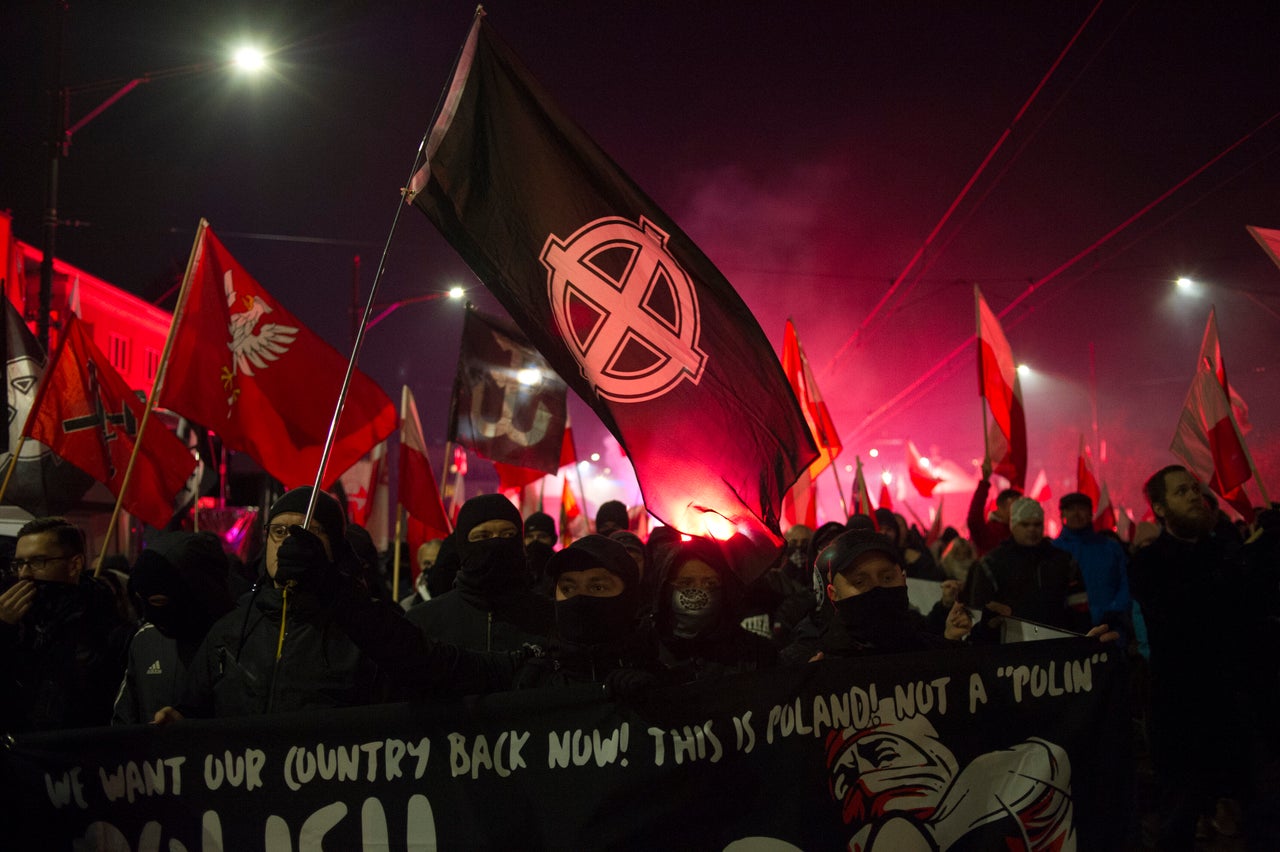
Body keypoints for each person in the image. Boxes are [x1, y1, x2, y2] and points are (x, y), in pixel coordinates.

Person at [159, 487, 515, 720]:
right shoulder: (229, 631)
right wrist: (180, 718)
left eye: (307, 533)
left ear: (332, 548)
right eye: (279, 532)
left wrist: (330, 587)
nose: (288, 543)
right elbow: (197, 709)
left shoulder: (365, 628)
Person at [1129, 465, 1277, 846]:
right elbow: (1189, 611)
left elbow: (1255, 610)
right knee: (1179, 819)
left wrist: (1270, 548)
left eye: (1195, 489)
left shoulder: (1224, 552)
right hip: (1184, 715)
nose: (1194, 496)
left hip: (1238, 710)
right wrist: (1252, 553)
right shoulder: (1149, 564)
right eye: (1181, 492)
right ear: (1160, 509)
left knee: (1262, 812)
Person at [0, 517, 130, 732]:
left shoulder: (107, 628)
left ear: (74, 565)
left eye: (37, 562)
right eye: (19, 564)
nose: (24, 574)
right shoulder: (18, 623)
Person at [112, 531, 233, 725]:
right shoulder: (146, 639)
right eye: (143, 602)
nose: (150, 615)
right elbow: (124, 719)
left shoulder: (242, 636)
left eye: (159, 602)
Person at [513, 534, 662, 691]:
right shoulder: (534, 674)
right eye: (568, 589)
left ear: (628, 595)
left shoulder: (657, 672)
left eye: (597, 587)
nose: (579, 597)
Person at [408, 494, 553, 652]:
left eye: (508, 534)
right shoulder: (425, 621)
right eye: (483, 536)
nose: (497, 543)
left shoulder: (550, 616)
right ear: (463, 546)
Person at [807, 529, 972, 658]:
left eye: (887, 578)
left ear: (903, 579)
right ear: (833, 594)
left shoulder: (930, 652)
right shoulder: (816, 664)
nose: (876, 588)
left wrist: (951, 651)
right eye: (859, 582)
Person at [651, 537, 777, 683]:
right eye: (685, 583)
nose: (698, 591)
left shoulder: (755, 653)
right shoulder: (645, 649)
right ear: (665, 589)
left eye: (710, 583)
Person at [966, 497, 1091, 638]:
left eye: (1037, 524)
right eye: (1025, 525)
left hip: (1056, 642)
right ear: (1013, 526)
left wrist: (1082, 640)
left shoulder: (1062, 560)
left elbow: (1079, 606)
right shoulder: (993, 563)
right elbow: (979, 612)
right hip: (1011, 645)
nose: (1032, 529)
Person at [1052, 493, 1130, 636]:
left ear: (1090, 513)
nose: (1076, 514)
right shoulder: (1053, 550)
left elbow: (1125, 582)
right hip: (1068, 628)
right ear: (1063, 513)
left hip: (1111, 626)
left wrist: (1114, 610)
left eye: (1081, 508)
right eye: (1071, 509)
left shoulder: (1110, 547)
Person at [965, 458, 1021, 557]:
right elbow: (974, 520)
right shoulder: (990, 533)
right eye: (1014, 506)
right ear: (1001, 507)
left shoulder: (1021, 532)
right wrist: (984, 483)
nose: (1019, 510)